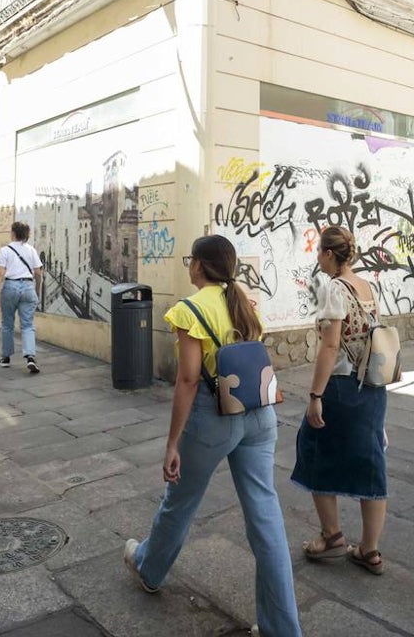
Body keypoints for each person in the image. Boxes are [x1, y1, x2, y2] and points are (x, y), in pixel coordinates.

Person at [124, 235, 302, 637]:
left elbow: (188, 379)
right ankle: (282, 629)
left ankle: (150, 567)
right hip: (259, 415)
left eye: (191, 259)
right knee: (266, 518)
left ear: (200, 266)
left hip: (212, 418)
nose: (189, 265)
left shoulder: (190, 309)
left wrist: (172, 442)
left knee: (180, 500)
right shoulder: (245, 301)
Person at [291, 225, 389, 575]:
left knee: (313, 449)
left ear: (330, 254)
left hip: (342, 387)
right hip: (373, 387)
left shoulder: (334, 288)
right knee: (370, 461)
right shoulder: (367, 285)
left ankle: (332, 536)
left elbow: (331, 346)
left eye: (319, 251)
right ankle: (369, 550)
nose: (317, 257)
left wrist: (315, 395)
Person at [0, 221, 43, 374]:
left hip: (10, 287)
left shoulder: (4, 251)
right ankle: (30, 357)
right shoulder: (31, 250)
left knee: (7, 324)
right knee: (27, 324)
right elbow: (38, 273)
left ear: (13, 233)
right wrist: (37, 292)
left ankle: (6, 358)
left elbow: (0, 274)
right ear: (26, 235)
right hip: (28, 287)